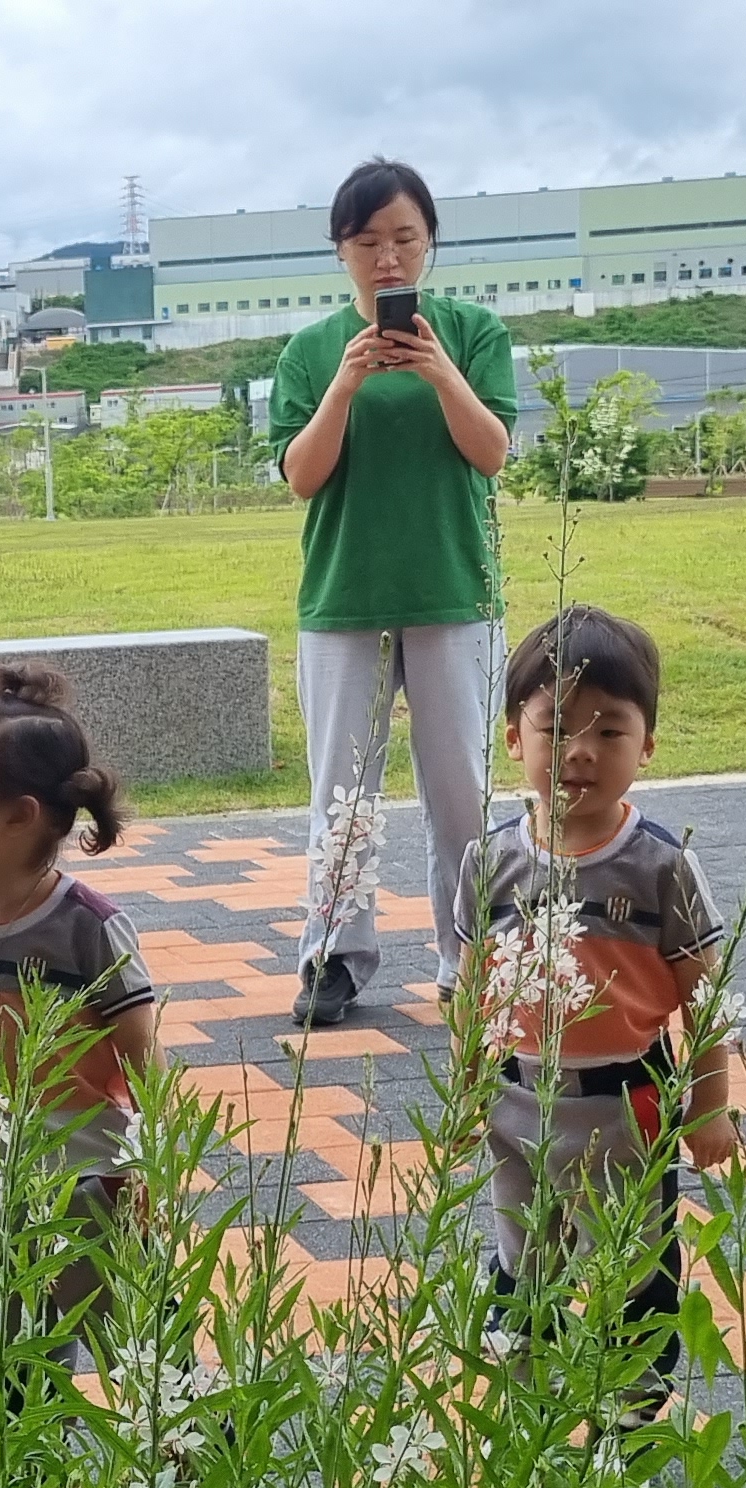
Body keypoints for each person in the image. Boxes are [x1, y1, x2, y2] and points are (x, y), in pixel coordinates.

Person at [452, 609, 735, 1422]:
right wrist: (465, 1089)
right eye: (558, 726)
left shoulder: (662, 867)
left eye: (610, 731)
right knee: (522, 1258)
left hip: (627, 1107)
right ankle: (526, 1414)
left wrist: (711, 1102)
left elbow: (706, 996)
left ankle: (630, 1419)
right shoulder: (491, 859)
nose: (580, 750)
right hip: (516, 1099)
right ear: (514, 737)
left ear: (646, 747)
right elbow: (472, 988)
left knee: (633, 1266)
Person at [271, 157, 520, 1028]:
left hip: (455, 589)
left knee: (463, 788)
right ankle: (333, 955)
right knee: (342, 791)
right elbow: (303, 476)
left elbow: (490, 453)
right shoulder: (309, 352)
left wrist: (439, 370)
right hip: (345, 597)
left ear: (430, 244)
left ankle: (475, 955)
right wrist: (345, 381)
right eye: (367, 241)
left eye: (405, 238)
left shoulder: (474, 331)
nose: (388, 258)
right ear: (340, 250)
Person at [0, 664, 157, 1379]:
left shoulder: (89, 930)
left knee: (138, 1359)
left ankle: (190, 1476)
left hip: (89, 1186)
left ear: (18, 815)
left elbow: (145, 1061)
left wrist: (151, 1170)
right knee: (5, 1362)